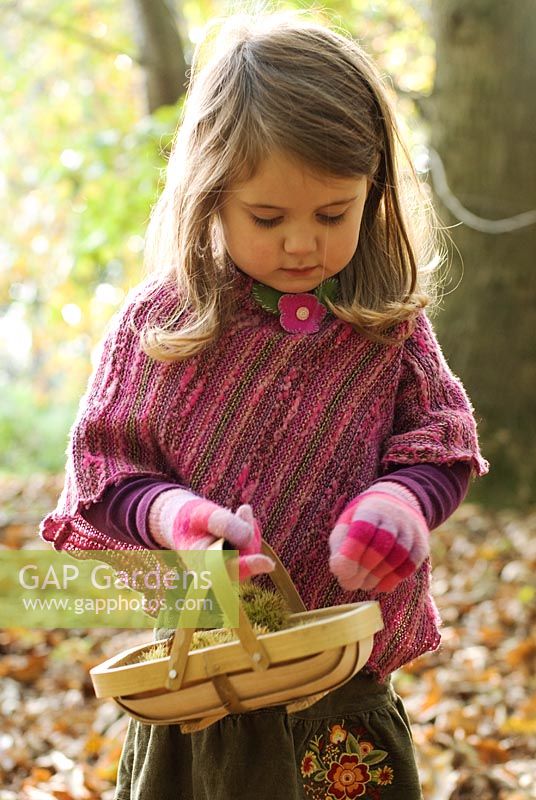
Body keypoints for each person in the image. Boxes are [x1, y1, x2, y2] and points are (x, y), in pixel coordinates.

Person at [40, 10, 488, 800]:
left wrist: (400, 504)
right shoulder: (164, 325)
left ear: (374, 192)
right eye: (268, 218)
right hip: (201, 700)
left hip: (342, 694)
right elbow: (104, 469)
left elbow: (440, 440)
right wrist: (177, 517)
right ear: (211, 196)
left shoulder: (385, 325)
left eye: (332, 214)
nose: (301, 246)